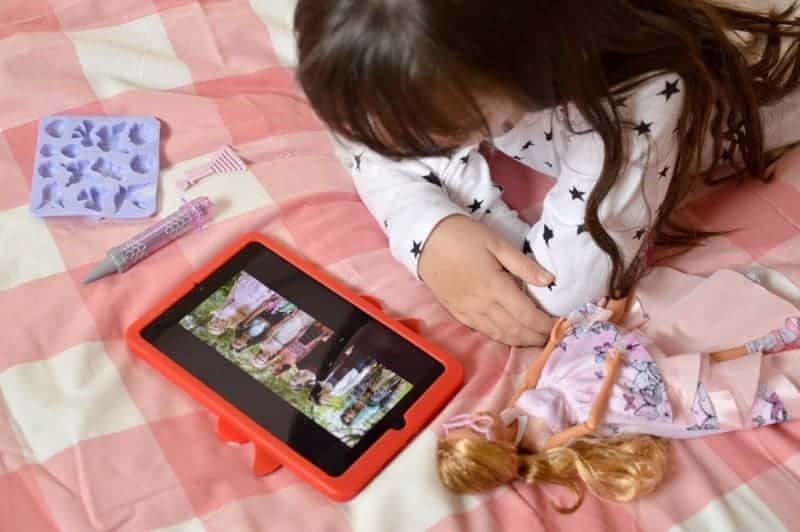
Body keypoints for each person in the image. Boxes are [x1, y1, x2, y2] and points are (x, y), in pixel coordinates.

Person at [294, 0, 800, 346]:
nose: (401, 148)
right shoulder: (412, 41)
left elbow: (559, 292)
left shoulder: (634, 95)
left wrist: (466, 231)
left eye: (437, 135)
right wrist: (430, 229)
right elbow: (364, 132)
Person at [436, 302, 800, 511]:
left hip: (576, 375)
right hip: (613, 400)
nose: (483, 417)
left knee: (691, 358)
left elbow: (529, 380)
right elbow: (590, 424)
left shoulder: (508, 415)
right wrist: (611, 373)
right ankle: (767, 348)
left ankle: (767, 341)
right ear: (496, 453)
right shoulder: (539, 443)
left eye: (470, 420)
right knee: (691, 377)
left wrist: (552, 343)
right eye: (480, 429)